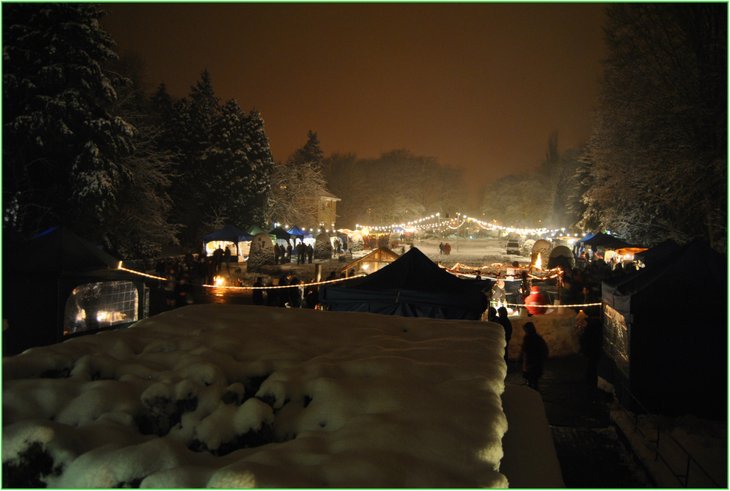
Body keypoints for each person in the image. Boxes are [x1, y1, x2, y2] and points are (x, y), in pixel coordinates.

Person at [520, 322, 549, 390]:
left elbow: (525, 349)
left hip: (533, 360)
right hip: (534, 361)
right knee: (533, 378)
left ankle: (532, 391)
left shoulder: (530, 338)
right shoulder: (536, 338)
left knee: (532, 377)